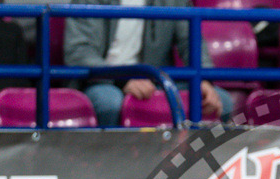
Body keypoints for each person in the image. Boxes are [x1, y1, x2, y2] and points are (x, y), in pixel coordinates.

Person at [63, 0, 232, 126]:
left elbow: (190, 40)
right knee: (109, 103)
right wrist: (123, 79)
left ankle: (195, 170)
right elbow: (79, 52)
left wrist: (203, 80)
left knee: (222, 101)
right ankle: (103, 167)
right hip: (101, 80)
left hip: (155, 81)